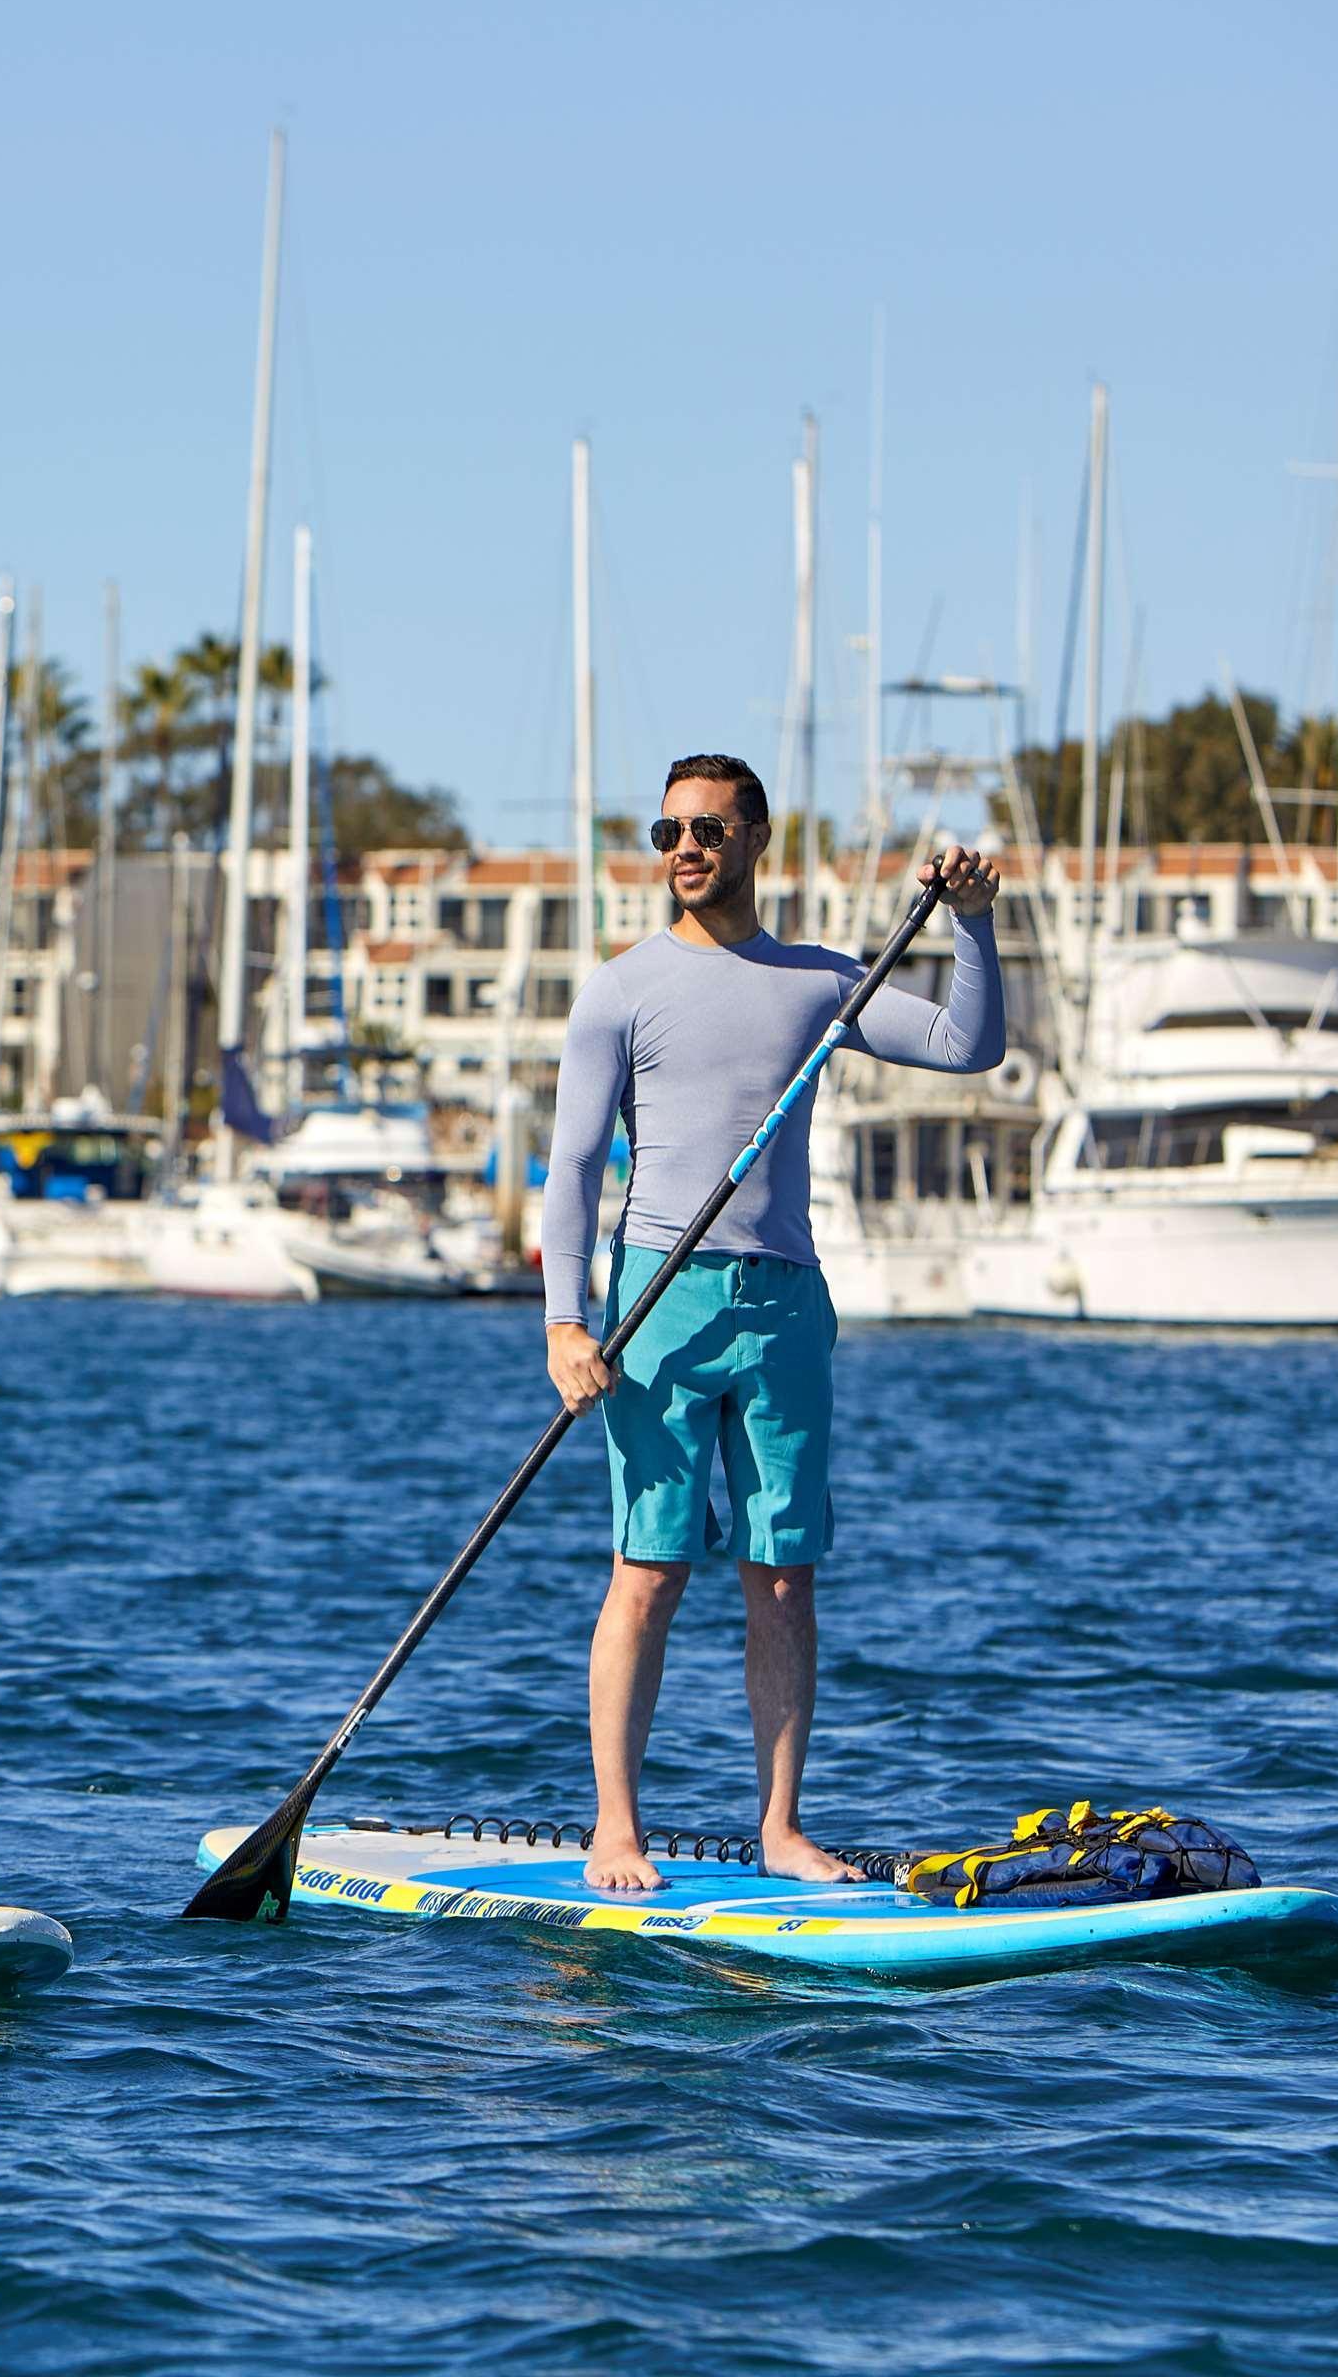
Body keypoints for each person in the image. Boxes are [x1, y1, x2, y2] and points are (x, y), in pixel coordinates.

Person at [539, 751, 1004, 1894]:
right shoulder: (621, 990)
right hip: (658, 1297)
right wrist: (563, 1323)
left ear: (755, 839)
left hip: (785, 1301)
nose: (684, 848)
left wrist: (976, 928)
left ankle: (783, 1829)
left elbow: (966, 1045)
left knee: (783, 1576)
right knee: (649, 1569)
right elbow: (573, 1165)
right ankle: (615, 1827)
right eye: (667, 832)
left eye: (705, 829)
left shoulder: (818, 981)